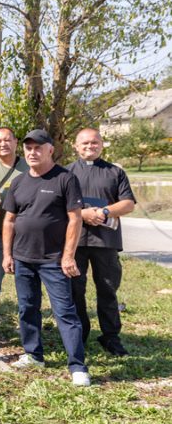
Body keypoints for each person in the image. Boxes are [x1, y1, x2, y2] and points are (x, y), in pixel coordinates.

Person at [3, 129, 90, 386]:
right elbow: (9, 220)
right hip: (23, 259)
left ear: (50, 149)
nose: (32, 152)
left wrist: (68, 256)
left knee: (64, 312)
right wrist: (8, 254)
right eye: (28, 148)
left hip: (53, 260)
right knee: (27, 308)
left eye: (38, 148)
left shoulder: (65, 178)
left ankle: (77, 366)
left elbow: (75, 219)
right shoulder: (18, 182)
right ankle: (33, 354)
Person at [67, 128, 137, 356]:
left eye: (95, 143)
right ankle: (79, 335)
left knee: (108, 290)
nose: (90, 146)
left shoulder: (115, 172)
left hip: (105, 242)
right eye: (85, 143)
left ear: (102, 145)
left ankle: (111, 337)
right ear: (75, 146)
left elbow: (128, 203)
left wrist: (105, 211)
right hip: (75, 243)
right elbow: (58, 206)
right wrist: (83, 215)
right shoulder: (66, 173)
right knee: (75, 290)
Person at [0, 127, 29, 343]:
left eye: (7, 140)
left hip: (25, 237)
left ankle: (28, 325)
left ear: (15, 141)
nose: (3, 144)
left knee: (27, 282)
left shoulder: (29, 167)